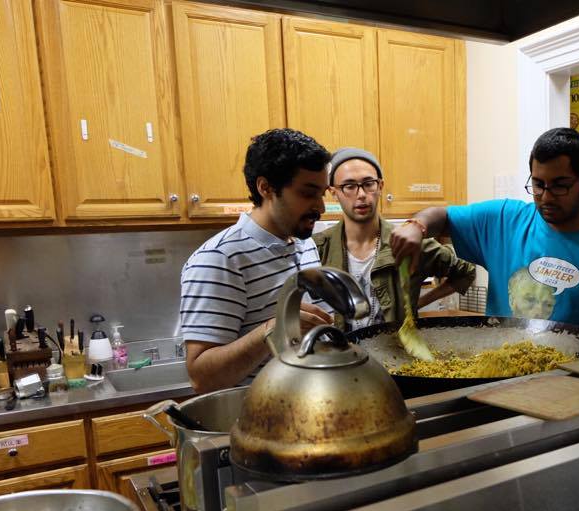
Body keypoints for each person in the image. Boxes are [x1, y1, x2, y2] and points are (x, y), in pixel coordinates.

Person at [390, 127, 579, 350]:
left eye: (560, 185)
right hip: (501, 374)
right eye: (538, 184)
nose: (546, 197)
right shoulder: (504, 220)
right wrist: (416, 225)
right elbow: (441, 215)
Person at [180, 129, 335, 393]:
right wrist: (274, 329)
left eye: (322, 193)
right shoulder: (219, 259)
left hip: (309, 409)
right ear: (265, 188)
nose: (320, 206)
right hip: (261, 422)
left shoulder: (304, 242)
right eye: (308, 193)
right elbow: (202, 378)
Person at [314, 148, 476, 331]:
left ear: (380, 186)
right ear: (333, 192)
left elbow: (466, 272)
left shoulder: (409, 243)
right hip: (343, 356)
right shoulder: (317, 249)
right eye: (349, 186)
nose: (361, 194)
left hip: (395, 355)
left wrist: (418, 304)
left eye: (369, 184)